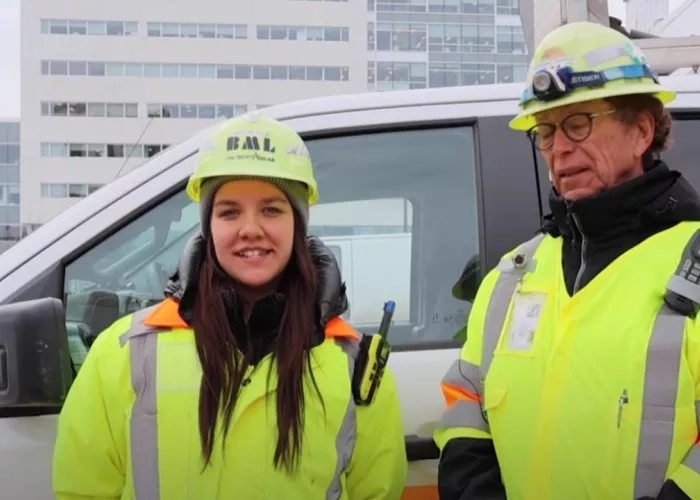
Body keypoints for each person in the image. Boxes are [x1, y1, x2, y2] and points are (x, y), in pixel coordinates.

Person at [52, 113, 408, 499]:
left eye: (272, 209)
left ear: (298, 224)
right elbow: (82, 490)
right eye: (229, 212)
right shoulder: (125, 351)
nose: (250, 228)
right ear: (208, 225)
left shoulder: (356, 365)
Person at [433, 21, 700, 500]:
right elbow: (467, 398)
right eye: (547, 131)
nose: (558, 148)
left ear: (641, 130)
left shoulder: (693, 262)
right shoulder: (512, 274)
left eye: (578, 123)